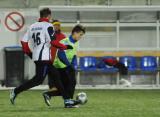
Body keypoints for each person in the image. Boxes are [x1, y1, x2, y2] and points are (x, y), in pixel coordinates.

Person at [10, 8, 79, 108]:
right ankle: (15, 91)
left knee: (56, 77)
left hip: (39, 57)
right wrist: (65, 47)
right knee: (37, 80)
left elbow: (23, 42)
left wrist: (31, 54)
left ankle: (67, 101)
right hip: (44, 58)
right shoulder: (48, 26)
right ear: (49, 16)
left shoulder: (32, 26)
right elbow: (53, 42)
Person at [43, 25, 85, 106]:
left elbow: (73, 56)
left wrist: (74, 66)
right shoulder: (64, 42)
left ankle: (48, 94)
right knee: (71, 83)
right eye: (80, 34)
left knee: (66, 88)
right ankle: (69, 102)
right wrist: (69, 66)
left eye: (82, 35)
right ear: (75, 33)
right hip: (59, 68)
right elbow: (61, 55)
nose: (81, 37)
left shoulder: (75, 43)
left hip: (66, 67)